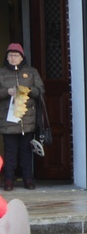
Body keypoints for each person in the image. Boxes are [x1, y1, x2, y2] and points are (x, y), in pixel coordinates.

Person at [0, 44, 44, 191]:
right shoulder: (1, 72)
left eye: (16, 55)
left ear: (22, 57)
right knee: (10, 152)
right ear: (6, 57)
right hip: (9, 119)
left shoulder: (31, 72)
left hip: (27, 119)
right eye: (10, 55)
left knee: (26, 151)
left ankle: (28, 180)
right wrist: (7, 91)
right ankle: (8, 181)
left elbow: (40, 91)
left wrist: (28, 90)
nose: (13, 58)